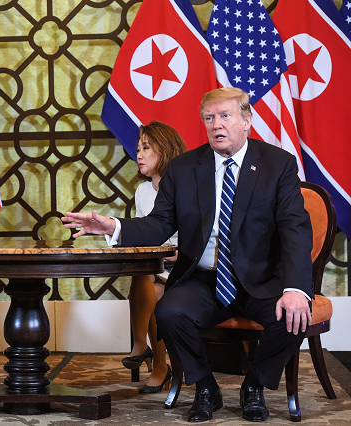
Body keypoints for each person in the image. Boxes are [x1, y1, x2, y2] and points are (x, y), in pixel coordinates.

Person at [62, 87, 312, 423]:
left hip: (261, 279)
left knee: (293, 316)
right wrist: (114, 228)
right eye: (209, 118)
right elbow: (159, 224)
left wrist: (296, 288)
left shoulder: (276, 164)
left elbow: (295, 229)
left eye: (225, 116)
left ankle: (254, 386)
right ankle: (206, 386)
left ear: (246, 121)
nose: (216, 125)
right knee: (169, 311)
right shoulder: (184, 168)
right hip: (204, 279)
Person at [122, 121, 187, 394]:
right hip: (156, 268)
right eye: (138, 148)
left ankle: (148, 354)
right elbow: (144, 236)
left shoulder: (188, 186)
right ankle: (149, 355)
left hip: (185, 267)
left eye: (146, 148)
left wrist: (173, 256)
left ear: (166, 150)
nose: (139, 154)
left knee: (150, 284)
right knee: (145, 275)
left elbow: (203, 240)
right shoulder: (143, 191)